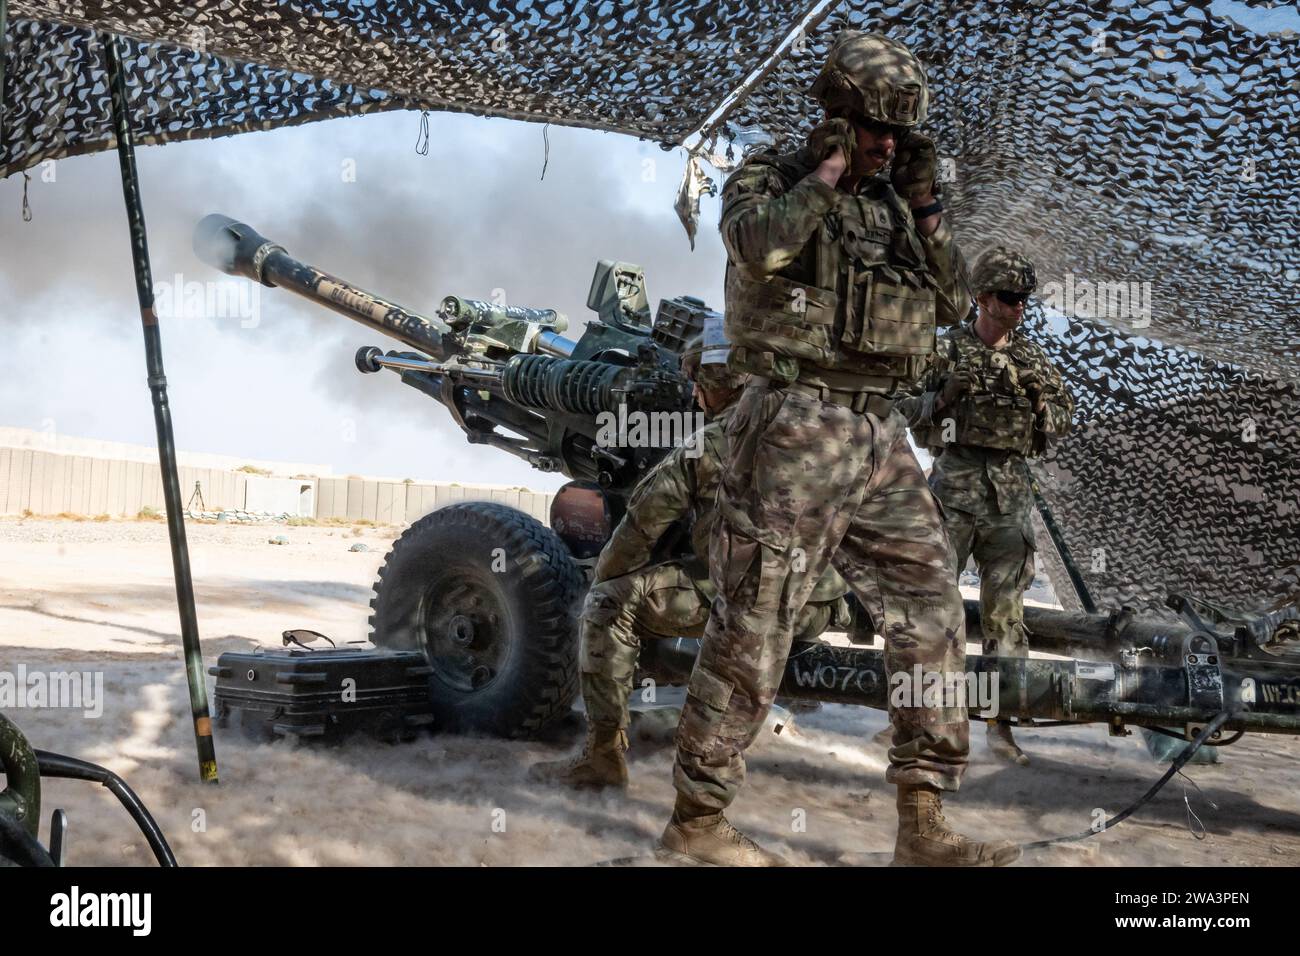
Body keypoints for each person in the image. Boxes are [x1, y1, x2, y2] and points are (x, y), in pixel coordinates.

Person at [659, 30, 1021, 867]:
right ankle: (697, 820)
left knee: (929, 609)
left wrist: (928, 212)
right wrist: (823, 175)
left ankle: (923, 823)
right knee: (759, 615)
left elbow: (951, 301)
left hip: (877, 433)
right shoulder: (771, 176)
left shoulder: (896, 206)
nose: (887, 146)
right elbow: (758, 245)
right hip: (793, 423)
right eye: (873, 130)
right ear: (835, 117)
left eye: (898, 135)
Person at [529, 320, 847, 790]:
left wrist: (599, 583)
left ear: (718, 382)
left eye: (700, 381)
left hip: (747, 608)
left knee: (607, 605)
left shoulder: (711, 443)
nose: (695, 393)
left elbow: (638, 528)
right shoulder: (828, 433)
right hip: (815, 607)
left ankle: (602, 757)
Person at [902, 246, 1075, 765]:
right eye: (1008, 297)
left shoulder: (1033, 359)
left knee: (1006, 615)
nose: (1019, 306)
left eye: (1024, 298)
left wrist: (1042, 401)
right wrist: (941, 401)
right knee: (933, 609)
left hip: (1009, 496)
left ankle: (1000, 725)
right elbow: (903, 406)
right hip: (954, 488)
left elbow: (1063, 419)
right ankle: (921, 721)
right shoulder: (943, 352)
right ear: (980, 298)